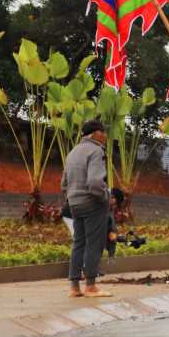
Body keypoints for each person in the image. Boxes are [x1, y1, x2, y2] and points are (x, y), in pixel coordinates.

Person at [62, 119, 113, 299]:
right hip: (92, 202)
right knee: (94, 243)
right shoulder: (96, 150)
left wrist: (73, 197)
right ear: (96, 134)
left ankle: (74, 287)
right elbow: (95, 181)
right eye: (104, 132)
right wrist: (104, 197)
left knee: (79, 243)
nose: (106, 136)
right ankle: (91, 286)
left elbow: (64, 183)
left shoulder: (72, 152)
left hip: (74, 202)